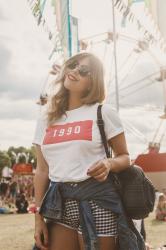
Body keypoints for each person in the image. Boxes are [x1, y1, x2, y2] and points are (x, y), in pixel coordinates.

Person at [33, 52, 144, 250]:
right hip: (60, 204)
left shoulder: (103, 112)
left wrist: (108, 163)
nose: (75, 70)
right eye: (73, 65)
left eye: (84, 70)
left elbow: (125, 157)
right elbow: (42, 171)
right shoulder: (46, 117)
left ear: (94, 83)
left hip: (98, 200)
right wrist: (38, 218)